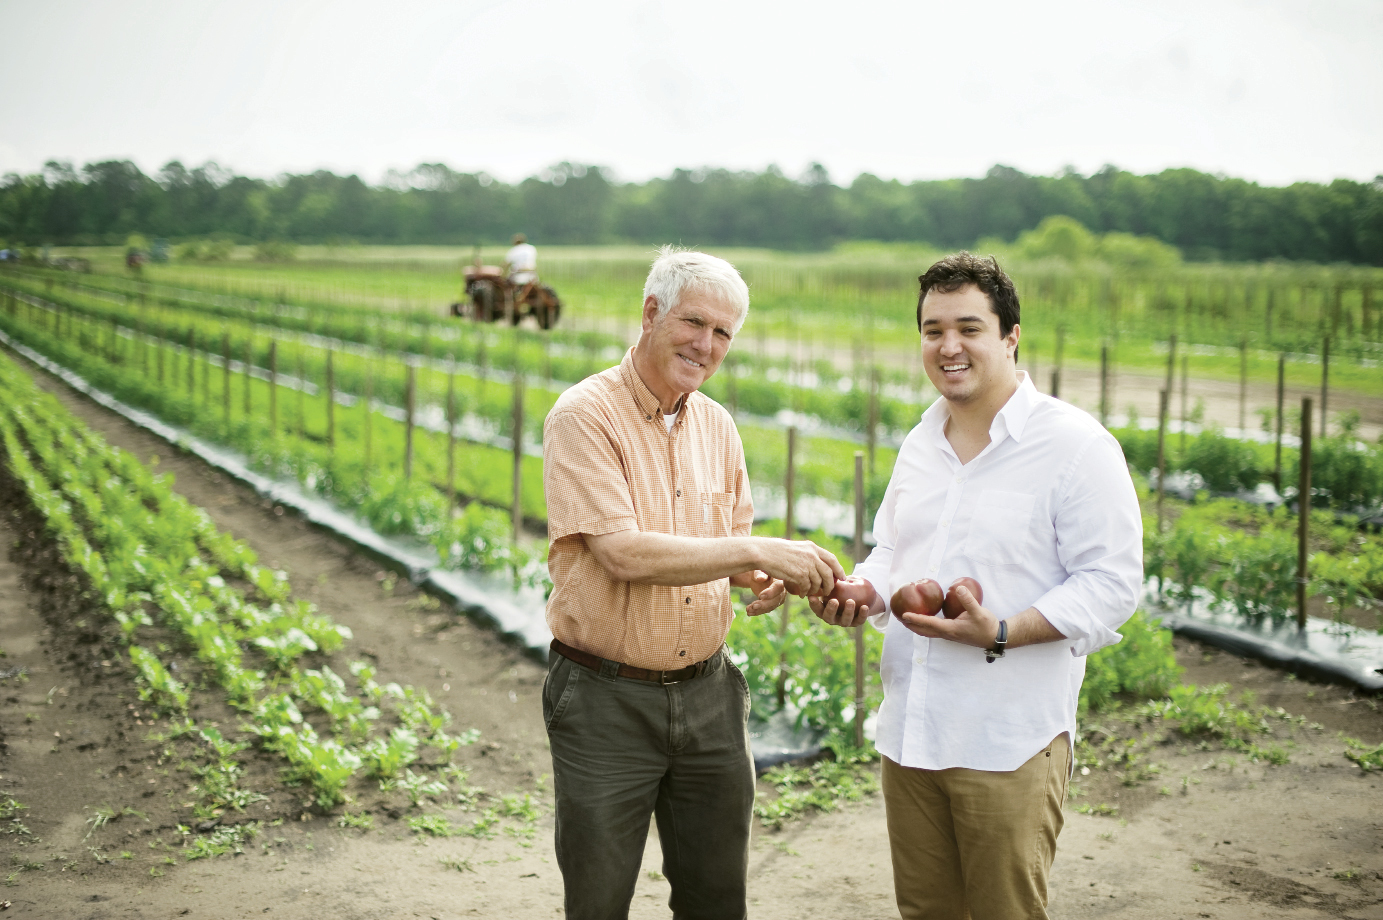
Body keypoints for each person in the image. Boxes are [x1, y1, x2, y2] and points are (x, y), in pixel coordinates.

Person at [810, 252, 1143, 919]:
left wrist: (1000, 629)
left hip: (1006, 740)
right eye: (933, 330)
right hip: (911, 732)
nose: (948, 346)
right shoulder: (920, 441)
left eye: (968, 327)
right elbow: (892, 549)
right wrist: (864, 594)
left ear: (1010, 335)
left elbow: (1113, 584)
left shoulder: (1073, 446)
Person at [542, 245, 845, 920]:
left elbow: (717, 547)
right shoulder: (584, 414)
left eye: (722, 334)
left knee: (715, 896)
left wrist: (754, 574)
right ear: (651, 313)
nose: (705, 345)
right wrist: (755, 546)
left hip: (708, 697)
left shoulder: (716, 425)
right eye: (694, 323)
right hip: (605, 698)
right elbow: (620, 553)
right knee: (598, 899)